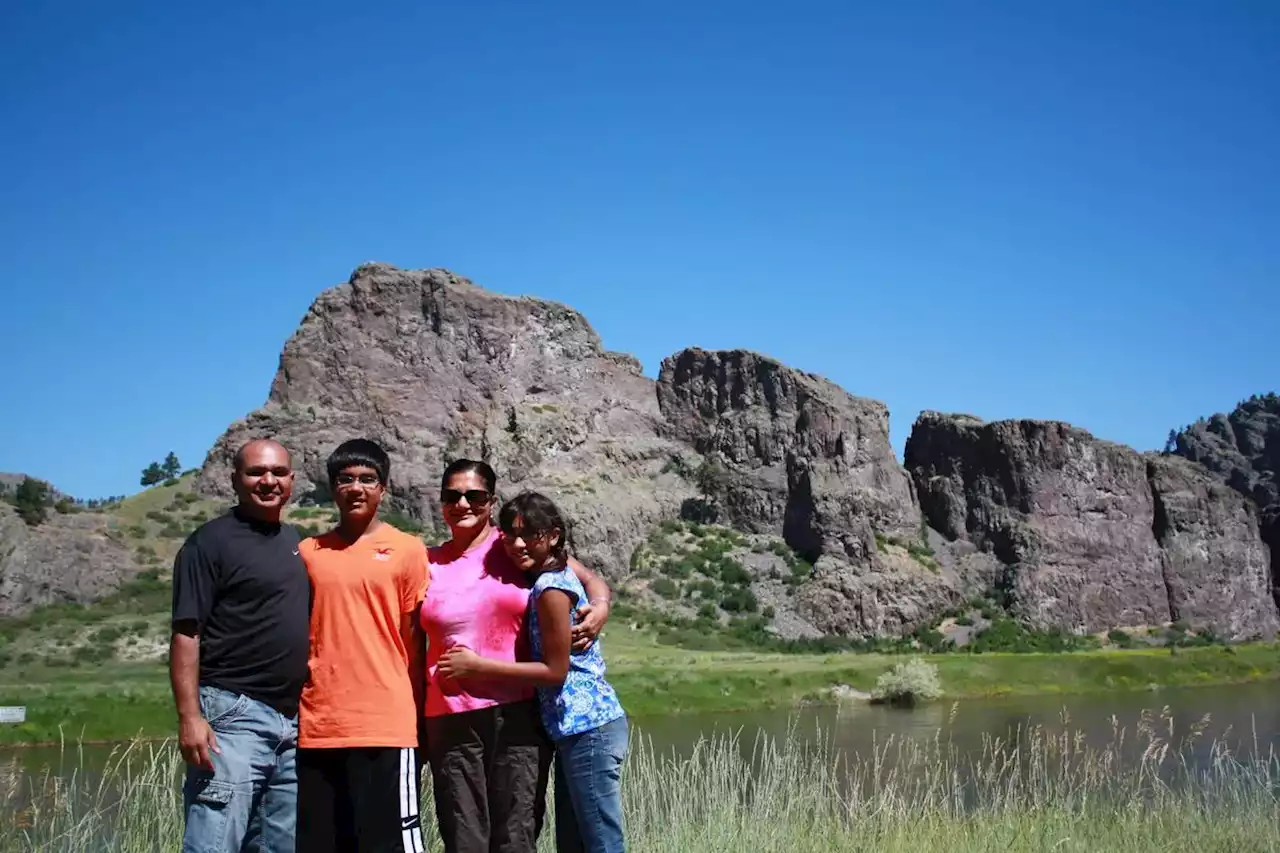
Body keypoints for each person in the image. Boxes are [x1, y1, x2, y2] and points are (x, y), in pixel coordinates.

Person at [420, 459, 614, 853]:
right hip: (450, 716)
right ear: (440, 502)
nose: (462, 503)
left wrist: (601, 605)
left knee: (516, 836)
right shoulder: (423, 560)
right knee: (464, 838)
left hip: (518, 716)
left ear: (490, 501)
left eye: (474, 495)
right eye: (451, 495)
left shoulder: (513, 544)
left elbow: (587, 577)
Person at [170, 438, 310, 853]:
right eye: (256, 473)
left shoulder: (295, 541)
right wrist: (189, 717)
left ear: (292, 480)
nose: (268, 481)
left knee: (279, 844)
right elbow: (185, 633)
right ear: (235, 480)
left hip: (292, 722)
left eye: (278, 473)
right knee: (213, 842)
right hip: (232, 715)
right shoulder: (209, 542)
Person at [295, 438, 430, 853]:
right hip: (319, 726)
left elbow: (414, 642)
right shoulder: (308, 552)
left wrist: (419, 724)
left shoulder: (408, 550)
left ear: (383, 488)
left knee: (388, 845)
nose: (357, 488)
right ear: (332, 487)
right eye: (346, 479)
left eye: (368, 479)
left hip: (385, 724)